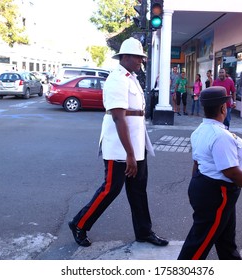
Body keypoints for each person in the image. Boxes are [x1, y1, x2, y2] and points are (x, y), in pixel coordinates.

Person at [68, 37, 168, 247]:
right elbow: (118, 117)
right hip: (120, 147)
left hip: (136, 144)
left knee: (138, 190)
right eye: (138, 58)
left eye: (142, 58)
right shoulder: (117, 79)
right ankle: (79, 223)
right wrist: (129, 154)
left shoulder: (131, 78)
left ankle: (144, 232)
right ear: (126, 57)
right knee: (111, 189)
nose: (141, 61)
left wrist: (135, 151)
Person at [178, 86, 242, 260]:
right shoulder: (220, 136)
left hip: (204, 186)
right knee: (199, 243)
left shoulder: (200, 130)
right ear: (223, 108)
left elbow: (197, 162)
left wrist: (196, 187)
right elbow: (231, 172)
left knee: (226, 240)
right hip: (217, 194)